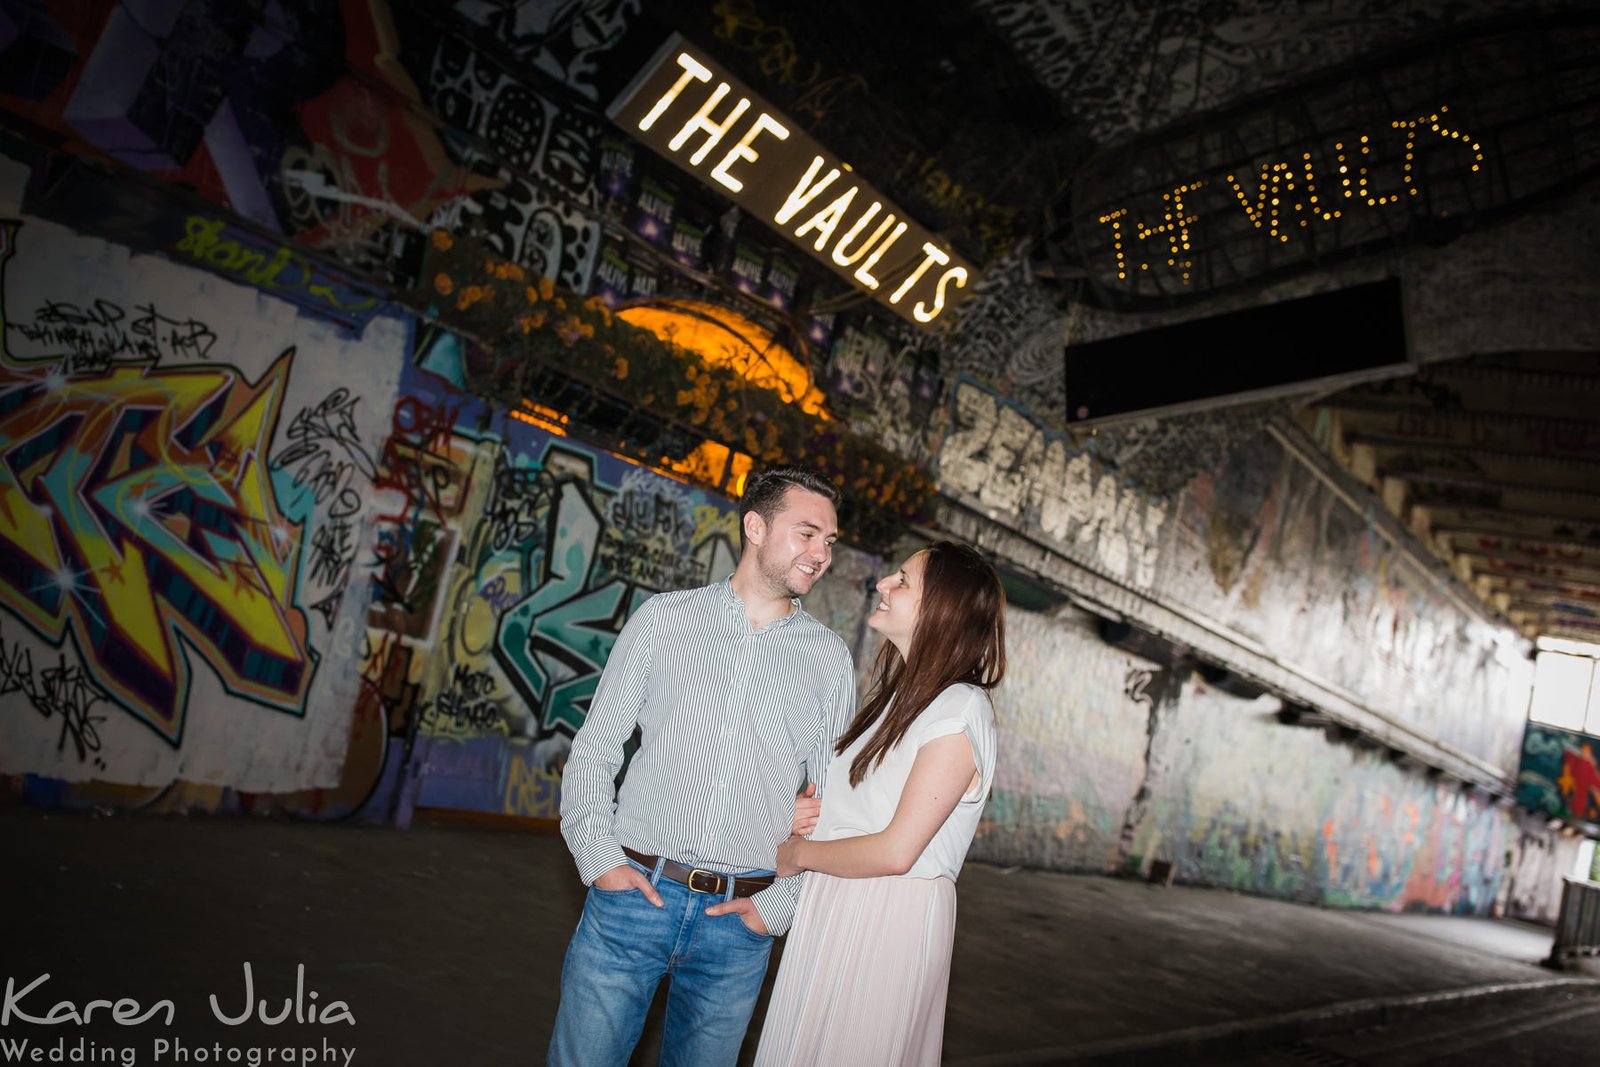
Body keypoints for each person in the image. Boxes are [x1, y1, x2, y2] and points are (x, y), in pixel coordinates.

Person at [548, 466, 856, 1067]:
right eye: (807, 533)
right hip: (632, 900)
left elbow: (832, 799)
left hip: (739, 925)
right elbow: (594, 750)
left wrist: (777, 910)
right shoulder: (665, 620)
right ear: (756, 527)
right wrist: (598, 860)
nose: (821, 553)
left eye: (830, 541)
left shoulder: (828, 660)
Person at [754, 540, 1006, 1067]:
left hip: (888, 914)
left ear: (943, 609)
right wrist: (806, 816)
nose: (882, 584)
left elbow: (896, 850)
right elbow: (855, 812)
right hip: (836, 902)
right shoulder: (895, 699)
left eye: (903, 581)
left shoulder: (959, 708)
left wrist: (796, 855)